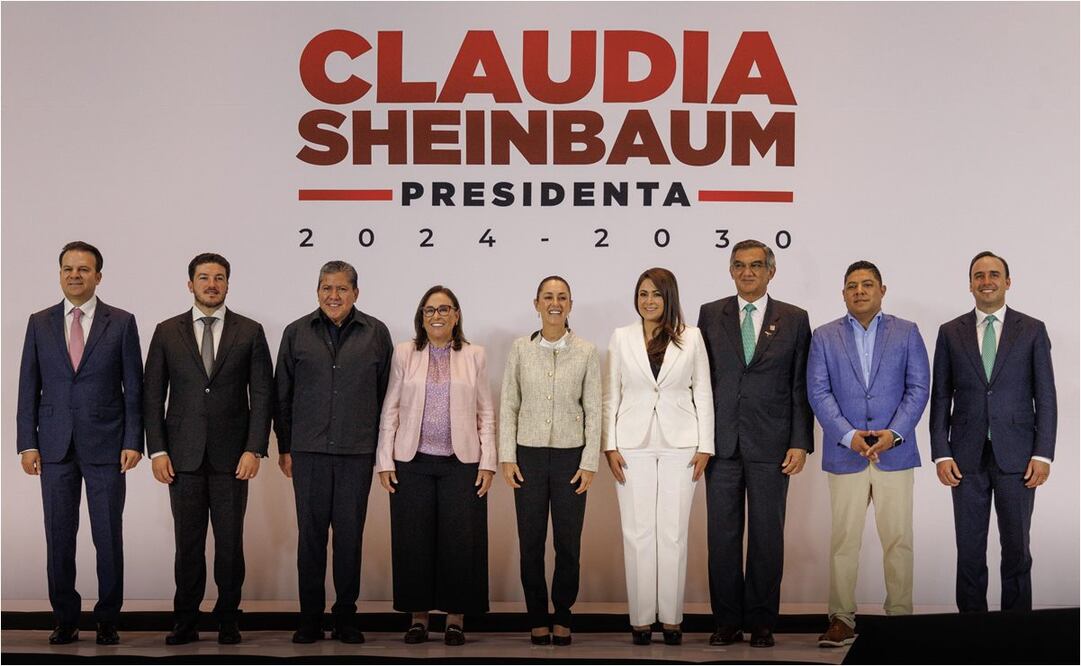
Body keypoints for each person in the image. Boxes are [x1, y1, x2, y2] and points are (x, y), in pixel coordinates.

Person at [143, 253, 274, 645]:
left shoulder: (250, 331)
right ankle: (185, 620)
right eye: (204, 277)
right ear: (190, 284)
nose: (211, 284)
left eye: (219, 277)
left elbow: (262, 395)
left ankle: (228, 618)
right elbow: (152, 396)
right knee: (188, 544)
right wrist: (157, 451)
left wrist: (255, 448)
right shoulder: (166, 331)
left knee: (230, 544)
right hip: (180, 457)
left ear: (228, 285)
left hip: (233, 458)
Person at [16, 241, 144, 645]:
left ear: (98, 276)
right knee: (58, 534)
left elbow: (134, 391)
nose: (75, 275)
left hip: (107, 445)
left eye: (84, 269)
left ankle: (108, 618)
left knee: (108, 533)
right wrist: (27, 443)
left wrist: (133, 440)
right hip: (53, 446)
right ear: (59, 274)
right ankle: (65, 618)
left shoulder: (121, 322)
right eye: (68, 268)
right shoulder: (39, 322)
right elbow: (27, 386)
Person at [806, 260, 929, 647]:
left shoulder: (907, 333)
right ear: (843, 293)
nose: (860, 290)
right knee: (844, 541)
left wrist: (893, 434)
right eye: (852, 285)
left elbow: (918, 387)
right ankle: (841, 618)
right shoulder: (824, 336)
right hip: (846, 454)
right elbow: (818, 391)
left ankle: (900, 619)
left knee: (899, 539)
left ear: (882, 290)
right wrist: (847, 435)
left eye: (868, 284)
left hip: (894, 454)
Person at [697, 239, 813, 648]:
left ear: (771, 271)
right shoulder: (710, 315)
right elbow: (701, 382)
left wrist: (800, 441)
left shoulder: (795, 319)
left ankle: (763, 621)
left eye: (756, 265)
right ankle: (726, 621)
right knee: (722, 538)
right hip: (721, 444)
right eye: (740, 265)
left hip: (773, 445)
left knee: (767, 536)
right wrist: (699, 440)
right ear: (731, 270)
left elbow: (800, 384)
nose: (748, 272)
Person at [930, 251, 1056, 612]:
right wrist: (941, 451)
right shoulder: (950, 332)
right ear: (970, 284)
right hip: (964, 458)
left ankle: (1017, 631)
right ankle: (973, 632)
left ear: (1008, 281)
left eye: (994, 274)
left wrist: (1042, 453)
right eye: (979, 275)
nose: (986, 281)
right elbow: (941, 396)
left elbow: (1045, 396)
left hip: (1018, 457)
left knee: (1016, 549)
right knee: (969, 551)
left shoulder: (1032, 329)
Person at [274, 260, 393, 644]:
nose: (334, 296)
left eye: (342, 288)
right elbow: (282, 395)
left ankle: (345, 616)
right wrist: (285, 446)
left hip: (357, 452)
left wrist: (382, 449)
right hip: (307, 452)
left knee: (349, 537)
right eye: (327, 288)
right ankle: (310, 617)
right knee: (309, 536)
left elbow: (388, 395)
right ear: (317, 291)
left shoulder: (376, 333)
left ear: (356, 293)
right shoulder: (296, 333)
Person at [376, 286, 496, 646]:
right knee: (414, 542)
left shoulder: (475, 355)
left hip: (462, 462)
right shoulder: (405, 353)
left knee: (460, 543)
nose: (437, 316)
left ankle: (455, 620)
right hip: (412, 461)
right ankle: (418, 619)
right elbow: (391, 409)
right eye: (430, 310)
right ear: (421, 317)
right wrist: (385, 460)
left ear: (457, 315)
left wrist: (487, 461)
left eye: (444, 309)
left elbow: (485, 412)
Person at [603, 267, 714, 646]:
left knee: (673, 533)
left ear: (670, 298)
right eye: (643, 293)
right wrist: (609, 445)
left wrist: (706, 446)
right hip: (630, 442)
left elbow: (703, 391)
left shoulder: (692, 337)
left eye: (656, 294)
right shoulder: (621, 337)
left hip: (681, 443)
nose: (648, 300)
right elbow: (611, 394)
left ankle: (671, 618)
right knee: (636, 533)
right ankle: (640, 619)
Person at [499, 276, 602, 646]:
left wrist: (589, 461)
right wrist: (507, 457)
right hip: (527, 455)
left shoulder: (586, 351)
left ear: (570, 304)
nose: (554, 303)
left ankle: (563, 613)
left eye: (561, 297)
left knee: (568, 543)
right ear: (536, 303)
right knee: (530, 542)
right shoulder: (520, 349)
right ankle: (536, 616)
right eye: (548, 297)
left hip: (570, 457)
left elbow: (593, 408)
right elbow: (509, 404)